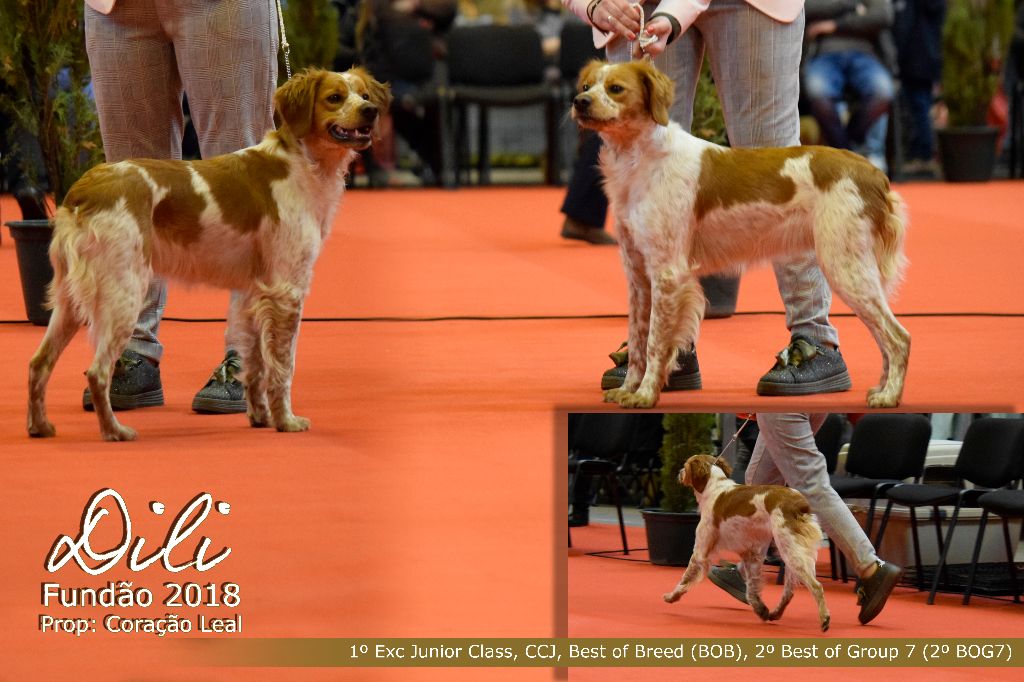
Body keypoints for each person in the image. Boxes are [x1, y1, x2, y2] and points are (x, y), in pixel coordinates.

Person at [564, 0, 852, 397]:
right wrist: (592, 5)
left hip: (753, 5)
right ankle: (667, 350)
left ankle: (816, 341)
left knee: (774, 162)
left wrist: (673, 15)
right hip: (639, 8)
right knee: (636, 156)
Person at [83, 0, 279, 414]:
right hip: (114, 8)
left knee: (243, 176)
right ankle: (132, 347)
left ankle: (248, 356)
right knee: (129, 182)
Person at [708, 413, 903, 624]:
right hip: (810, 399)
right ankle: (747, 572)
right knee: (760, 480)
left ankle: (871, 567)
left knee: (811, 485)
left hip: (783, 403)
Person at [802, 0, 897, 163]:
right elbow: (805, 8)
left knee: (883, 90)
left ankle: (845, 153)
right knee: (817, 91)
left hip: (865, 54)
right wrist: (854, 6)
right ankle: (849, 154)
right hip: (823, 54)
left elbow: (883, 15)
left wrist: (835, 25)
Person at [893, 0, 945, 177]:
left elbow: (905, 27)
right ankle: (921, 154)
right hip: (920, 59)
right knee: (918, 108)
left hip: (918, 60)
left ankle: (924, 156)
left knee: (920, 108)